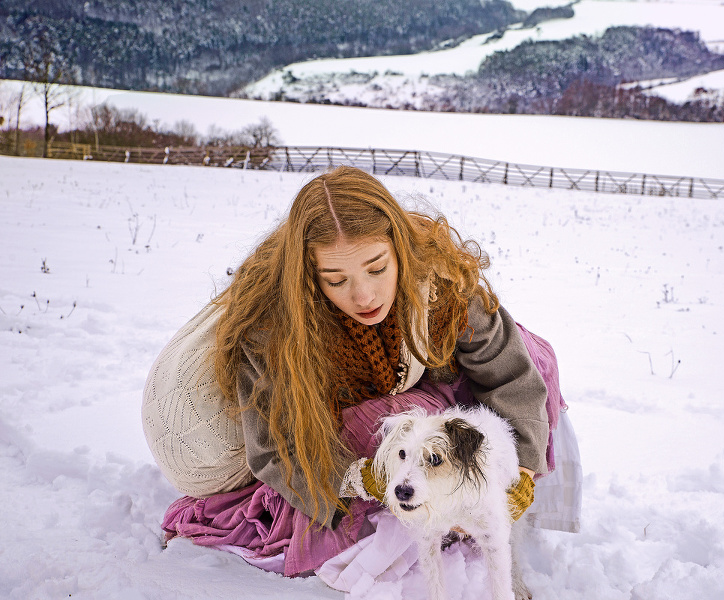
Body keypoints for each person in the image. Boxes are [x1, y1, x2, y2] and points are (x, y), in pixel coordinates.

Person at [142, 165, 580, 583]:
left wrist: (519, 468)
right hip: (334, 414)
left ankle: (520, 515)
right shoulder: (275, 328)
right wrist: (359, 478)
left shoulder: (439, 281)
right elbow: (276, 448)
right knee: (387, 427)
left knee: (534, 354)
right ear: (310, 277)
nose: (364, 294)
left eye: (377, 268)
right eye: (336, 279)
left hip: (417, 371)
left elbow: (511, 376)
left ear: (399, 251)